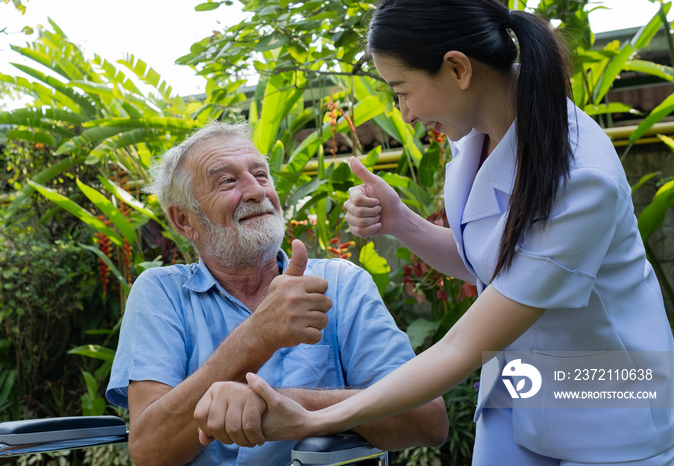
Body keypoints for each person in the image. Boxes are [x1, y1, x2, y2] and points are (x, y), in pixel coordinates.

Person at [196, 1, 674, 465]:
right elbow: (487, 260)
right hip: (526, 383)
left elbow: (459, 347)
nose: (402, 113)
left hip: (609, 398)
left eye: (402, 90)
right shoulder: (477, 134)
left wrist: (315, 419)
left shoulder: (580, 179)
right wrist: (400, 221)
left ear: (457, 69)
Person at [105, 120, 448, 465]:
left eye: (262, 175)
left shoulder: (342, 284)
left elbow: (427, 420)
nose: (257, 191)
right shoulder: (161, 293)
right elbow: (149, 450)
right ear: (183, 220)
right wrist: (257, 336)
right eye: (227, 181)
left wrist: (277, 403)